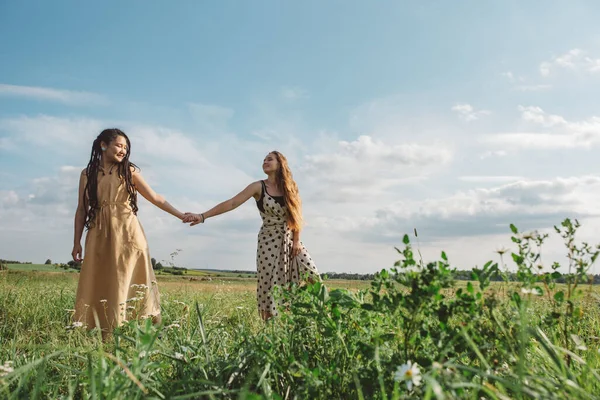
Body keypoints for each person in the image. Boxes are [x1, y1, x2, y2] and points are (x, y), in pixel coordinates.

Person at [71, 128, 184, 336]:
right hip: (98, 233)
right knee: (100, 279)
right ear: (103, 145)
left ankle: (140, 330)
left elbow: (155, 197)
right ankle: (102, 330)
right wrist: (76, 242)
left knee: (127, 279)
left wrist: (181, 215)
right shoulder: (87, 174)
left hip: (127, 234)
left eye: (125, 147)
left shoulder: (129, 171)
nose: (123, 150)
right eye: (118, 145)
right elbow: (81, 209)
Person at [183, 151, 320, 320]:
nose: (265, 162)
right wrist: (203, 216)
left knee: (312, 276)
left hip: (290, 241)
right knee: (269, 285)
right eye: (263, 160)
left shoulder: (291, 187)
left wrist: (297, 241)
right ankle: (269, 328)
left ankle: (316, 315)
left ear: (280, 163)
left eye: (269, 159)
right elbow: (232, 203)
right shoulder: (257, 186)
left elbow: (297, 215)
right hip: (268, 242)